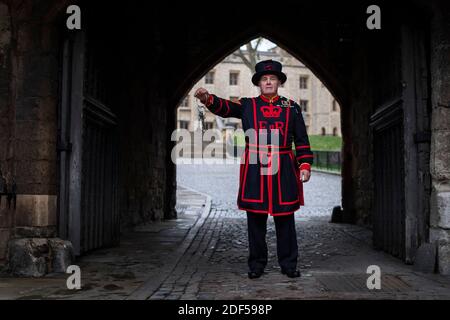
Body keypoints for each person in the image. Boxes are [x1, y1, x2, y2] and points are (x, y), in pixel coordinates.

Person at [194, 60, 313, 279]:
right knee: (255, 219)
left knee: (285, 218)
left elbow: (302, 140)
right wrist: (207, 99)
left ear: (279, 82)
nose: (268, 82)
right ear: (259, 83)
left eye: (272, 79)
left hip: (284, 165)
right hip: (255, 166)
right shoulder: (248, 105)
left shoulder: (292, 107)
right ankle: (257, 264)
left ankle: (288, 264)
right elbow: (226, 108)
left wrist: (304, 164)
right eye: (264, 79)